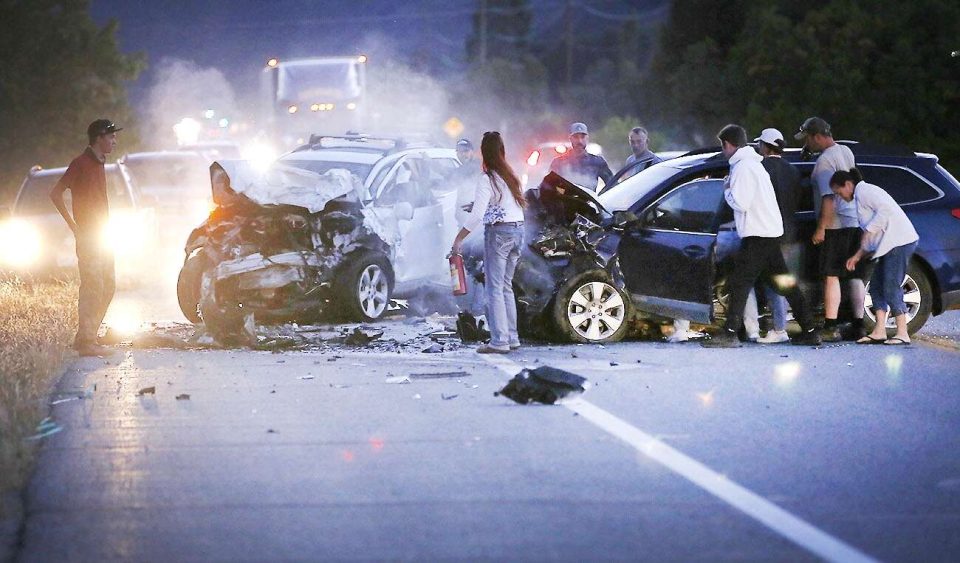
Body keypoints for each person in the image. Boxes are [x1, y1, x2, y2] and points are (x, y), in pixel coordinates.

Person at [703, 124, 821, 348]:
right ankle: (810, 329)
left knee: (740, 283)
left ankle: (729, 333)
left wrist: (727, 187)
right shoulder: (753, 165)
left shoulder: (743, 168)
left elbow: (741, 202)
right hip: (769, 233)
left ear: (728, 144)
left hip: (758, 235)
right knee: (784, 283)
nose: (723, 150)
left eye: (723, 146)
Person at [49, 119, 122, 357]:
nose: (114, 140)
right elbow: (55, 193)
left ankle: (89, 335)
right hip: (89, 235)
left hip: (104, 234)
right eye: (110, 136)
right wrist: (73, 226)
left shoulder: (100, 163)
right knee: (93, 285)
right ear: (99, 137)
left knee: (108, 284)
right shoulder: (80, 163)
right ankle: (86, 340)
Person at [451, 132, 526, 354]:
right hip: (517, 232)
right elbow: (503, 203)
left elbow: (476, 218)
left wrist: (458, 239)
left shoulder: (488, 178)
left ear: (484, 153)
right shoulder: (509, 175)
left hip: (499, 235)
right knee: (505, 287)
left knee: (494, 288)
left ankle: (499, 341)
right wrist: (476, 205)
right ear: (501, 151)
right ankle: (512, 337)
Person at [796, 116, 867, 341]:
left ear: (817, 137)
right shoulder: (845, 151)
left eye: (807, 138)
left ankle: (831, 325)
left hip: (836, 224)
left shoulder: (825, 162)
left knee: (831, 275)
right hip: (855, 221)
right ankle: (859, 324)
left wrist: (821, 229)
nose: (805, 143)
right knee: (854, 275)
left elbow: (828, 198)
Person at [830, 169, 919, 345]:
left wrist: (869, 230)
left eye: (839, 192)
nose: (839, 196)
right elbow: (869, 238)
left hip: (899, 241)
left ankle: (902, 332)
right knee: (876, 286)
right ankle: (879, 330)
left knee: (890, 284)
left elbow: (884, 211)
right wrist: (857, 256)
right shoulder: (859, 198)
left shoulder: (866, 191)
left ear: (848, 185)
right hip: (887, 245)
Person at [744, 128, 802, 344]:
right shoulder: (793, 171)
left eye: (760, 144)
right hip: (789, 234)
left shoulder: (760, 169)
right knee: (784, 281)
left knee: (766, 281)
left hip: (766, 232)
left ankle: (776, 329)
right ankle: (782, 325)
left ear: (765, 147)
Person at [449, 138, 486, 317]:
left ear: (471, 152)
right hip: (465, 222)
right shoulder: (460, 169)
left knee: (476, 264)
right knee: (468, 264)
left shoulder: (475, 168)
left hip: (475, 224)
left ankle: (478, 307)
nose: (462, 154)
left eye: (465, 151)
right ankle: (473, 306)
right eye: (459, 151)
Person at [548, 122, 613, 191]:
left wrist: (601, 198)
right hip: (566, 201)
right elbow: (549, 186)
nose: (579, 141)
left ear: (587, 138)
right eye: (576, 137)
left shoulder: (597, 162)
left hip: (590, 201)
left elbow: (612, 185)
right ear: (570, 139)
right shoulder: (558, 162)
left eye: (582, 137)